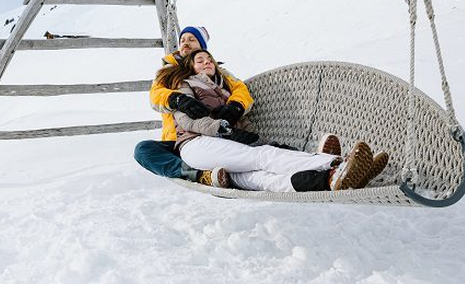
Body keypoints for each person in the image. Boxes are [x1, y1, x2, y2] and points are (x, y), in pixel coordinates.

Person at [164, 49, 389, 191]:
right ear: (191, 67)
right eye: (199, 60)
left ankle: (329, 181)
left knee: (263, 179)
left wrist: (253, 136)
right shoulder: (186, 85)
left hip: (226, 151)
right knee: (263, 157)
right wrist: (225, 131)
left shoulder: (227, 90)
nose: (206, 63)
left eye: (209, 59)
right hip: (196, 144)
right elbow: (188, 121)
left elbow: (243, 124)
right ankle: (336, 163)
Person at [134, 26, 254, 184]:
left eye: (192, 40)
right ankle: (200, 175)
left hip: (215, 133)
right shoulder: (168, 71)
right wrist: (177, 99)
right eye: (182, 40)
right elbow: (156, 96)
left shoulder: (216, 71)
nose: (185, 43)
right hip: (179, 139)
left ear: (202, 47)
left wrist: (235, 106)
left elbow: (240, 88)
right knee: (143, 150)